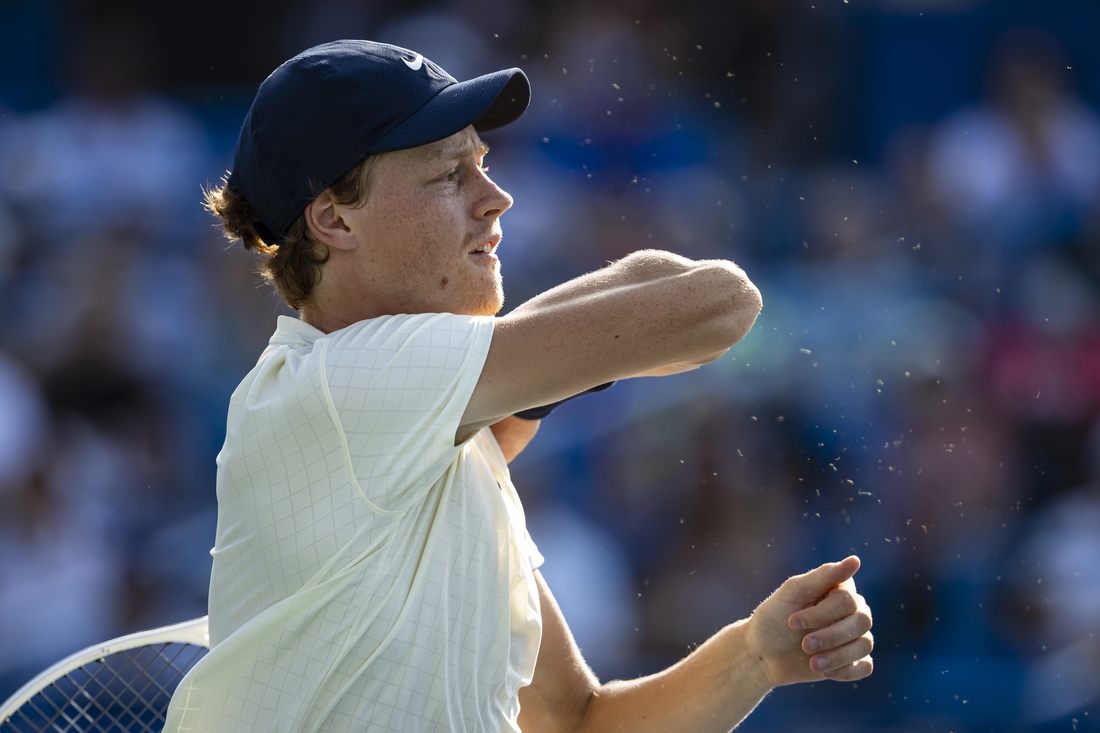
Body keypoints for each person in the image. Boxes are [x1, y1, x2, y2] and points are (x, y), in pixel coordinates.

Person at [164, 40, 873, 733]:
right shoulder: (339, 378)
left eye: (481, 164)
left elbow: (578, 720)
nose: (496, 198)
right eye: (447, 176)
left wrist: (755, 653)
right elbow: (721, 302)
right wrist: (533, 380)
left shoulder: (442, 441)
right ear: (334, 219)